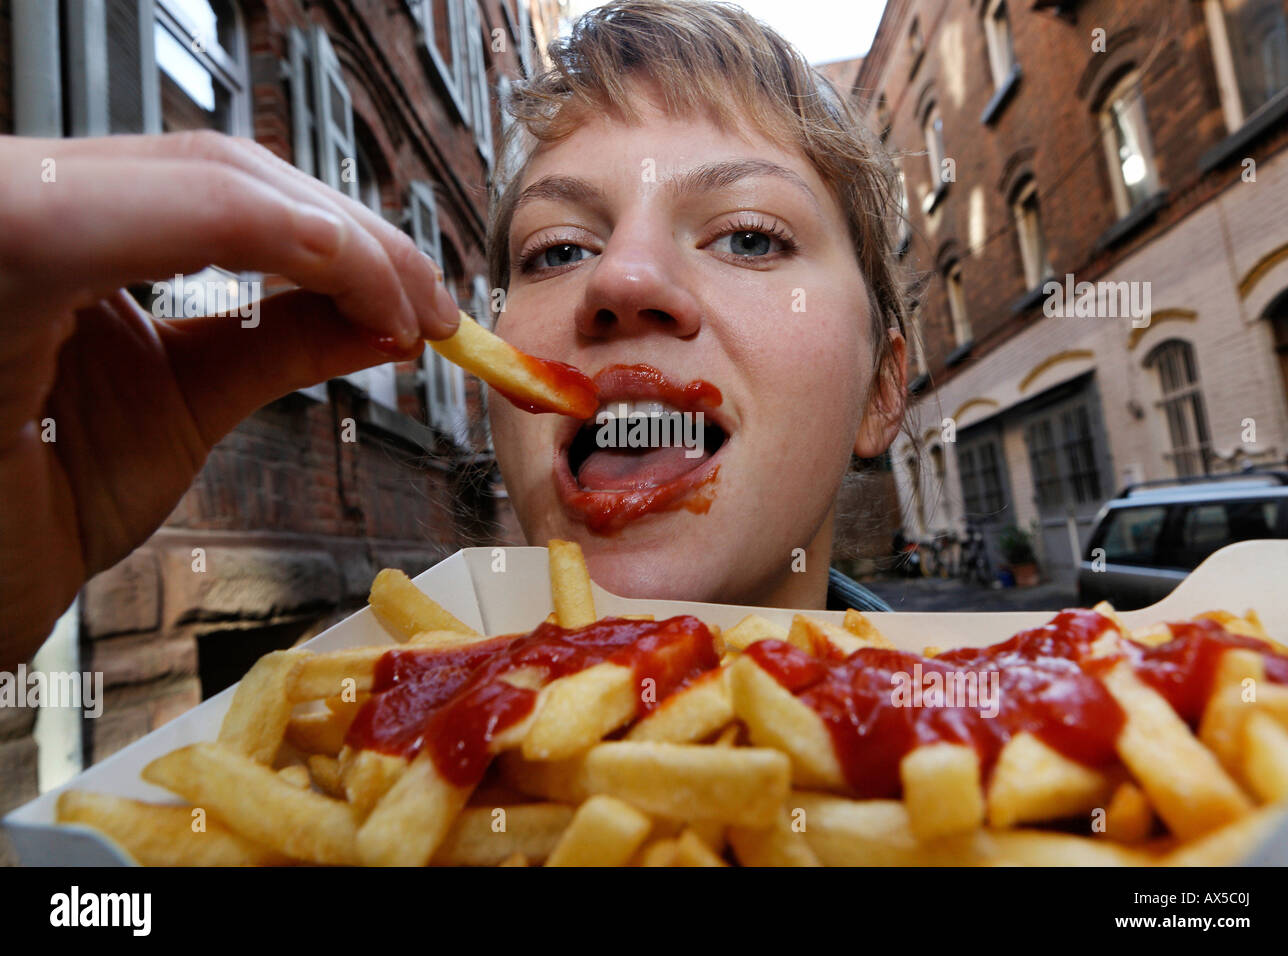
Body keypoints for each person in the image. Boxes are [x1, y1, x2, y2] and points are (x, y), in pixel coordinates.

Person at [0, 0, 907, 670]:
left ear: (882, 389)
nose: (620, 280)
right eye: (557, 251)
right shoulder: (332, 757)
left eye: (749, 235)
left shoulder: (1026, 744)